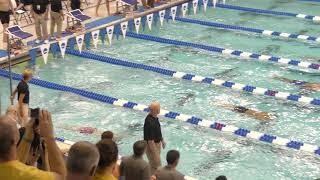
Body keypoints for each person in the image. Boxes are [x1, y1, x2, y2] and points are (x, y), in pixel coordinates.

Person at [0, 110, 66, 180]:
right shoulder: (26, 175)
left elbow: (17, 162)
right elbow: (60, 176)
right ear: (16, 139)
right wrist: (49, 137)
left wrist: (28, 133)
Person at [144, 101, 166, 173]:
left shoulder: (154, 117)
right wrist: (155, 154)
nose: (159, 109)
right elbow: (150, 141)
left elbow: (158, 130)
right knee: (157, 167)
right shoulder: (149, 122)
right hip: (152, 147)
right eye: (158, 108)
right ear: (154, 110)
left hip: (156, 144)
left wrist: (162, 140)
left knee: (153, 165)